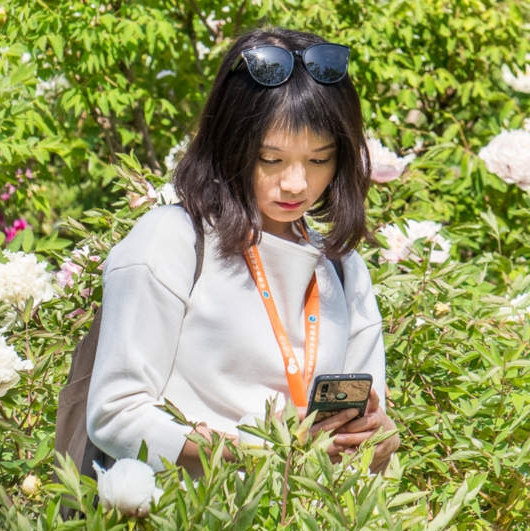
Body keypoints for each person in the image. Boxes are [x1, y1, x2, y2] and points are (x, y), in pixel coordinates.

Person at [87, 27, 399, 475]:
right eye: (271, 159)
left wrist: (378, 443)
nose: (296, 184)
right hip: (194, 516)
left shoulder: (343, 268)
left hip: (309, 517)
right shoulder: (172, 240)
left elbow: (363, 450)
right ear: (230, 144)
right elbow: (114, 415)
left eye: (319, 159)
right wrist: (261, 453)